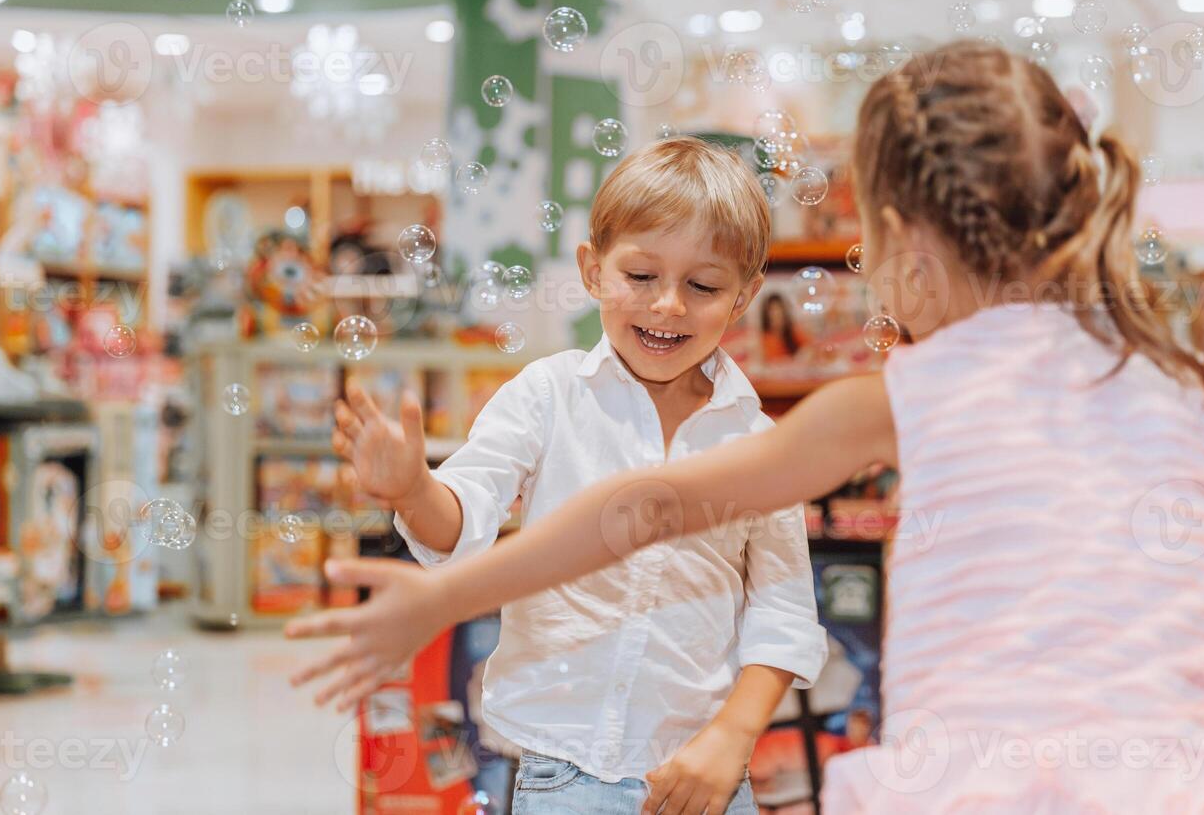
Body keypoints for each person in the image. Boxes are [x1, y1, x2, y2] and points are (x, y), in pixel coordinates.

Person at [290, 42, 1204, 812]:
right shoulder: (1195, 385)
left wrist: (442, 596)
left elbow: (644, 509)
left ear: (902, 238)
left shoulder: (901, 396)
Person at [319, 136, 827, 815]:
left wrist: (734, 736)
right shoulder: (547, 396)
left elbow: (784, 612)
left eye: (702, 285)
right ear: (592, 271)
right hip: (563, 777)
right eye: (641, 277)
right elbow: (462, 520)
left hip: (702, 777)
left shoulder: (760, 445)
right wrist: (413, 489)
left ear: (743, 296)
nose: (669, 305)